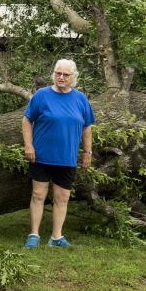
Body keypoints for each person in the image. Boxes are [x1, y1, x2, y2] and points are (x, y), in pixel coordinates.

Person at [21, 59, 95, 249]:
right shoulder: (41, 95)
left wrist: (87, 152)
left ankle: (56, 237)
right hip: (41, 156)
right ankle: (34, 234)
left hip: (67, 158)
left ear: (74, 77)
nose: (61, 77)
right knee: (38, 195)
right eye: (57, 73)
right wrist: (28, 145)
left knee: (62, 198)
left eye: (65, 75)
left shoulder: (80, 99)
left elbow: (87, 127)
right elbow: (27, 120)